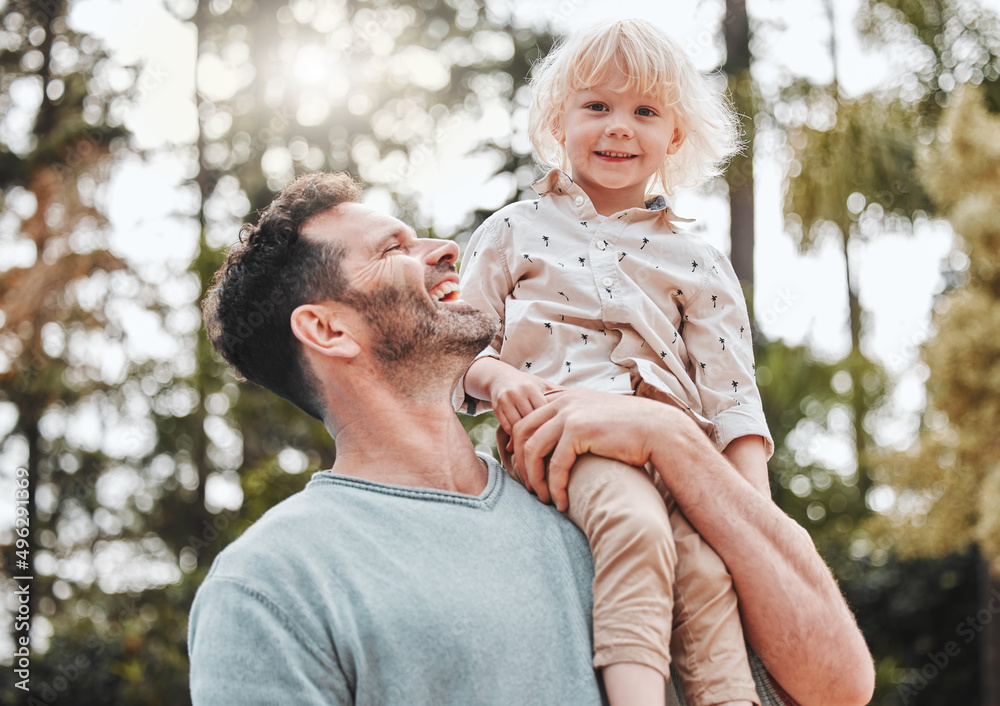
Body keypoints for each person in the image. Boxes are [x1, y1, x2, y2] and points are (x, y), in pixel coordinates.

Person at [190, 171, 875, 706]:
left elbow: (838, 686)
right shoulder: (273, 586)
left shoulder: (583, 493)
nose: (445, 249)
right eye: (394, 250)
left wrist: (673, 438)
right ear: (329, 330)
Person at [456, 19, 763, 706]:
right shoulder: (512, 231)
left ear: (673, 139)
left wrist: (755, 516)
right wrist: (499, 374)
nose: (619, 127)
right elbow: (457, 350)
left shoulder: (699, 261)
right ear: (557, 122)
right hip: (565, 431)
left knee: (709, 574)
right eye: (596, 106)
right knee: (634, 525)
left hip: (679, 450)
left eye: (644, 111)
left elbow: (731, 394)